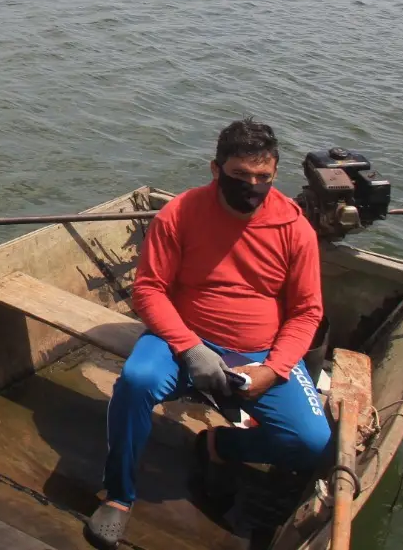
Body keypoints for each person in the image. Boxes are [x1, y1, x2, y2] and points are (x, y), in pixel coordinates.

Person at [86, 118, 331, 550]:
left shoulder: (296, 230)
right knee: (136, 381)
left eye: (263, 178)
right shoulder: (180, 213)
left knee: (312, 443)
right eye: (240, 175)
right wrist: (190, 348)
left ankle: (221, 445)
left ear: (274, 174)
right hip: (183, 339)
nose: (252, 186)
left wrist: (274, 370)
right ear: (215, 169)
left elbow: (307, 313)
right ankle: (119, 494)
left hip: (260, 351)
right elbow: (149, 289)